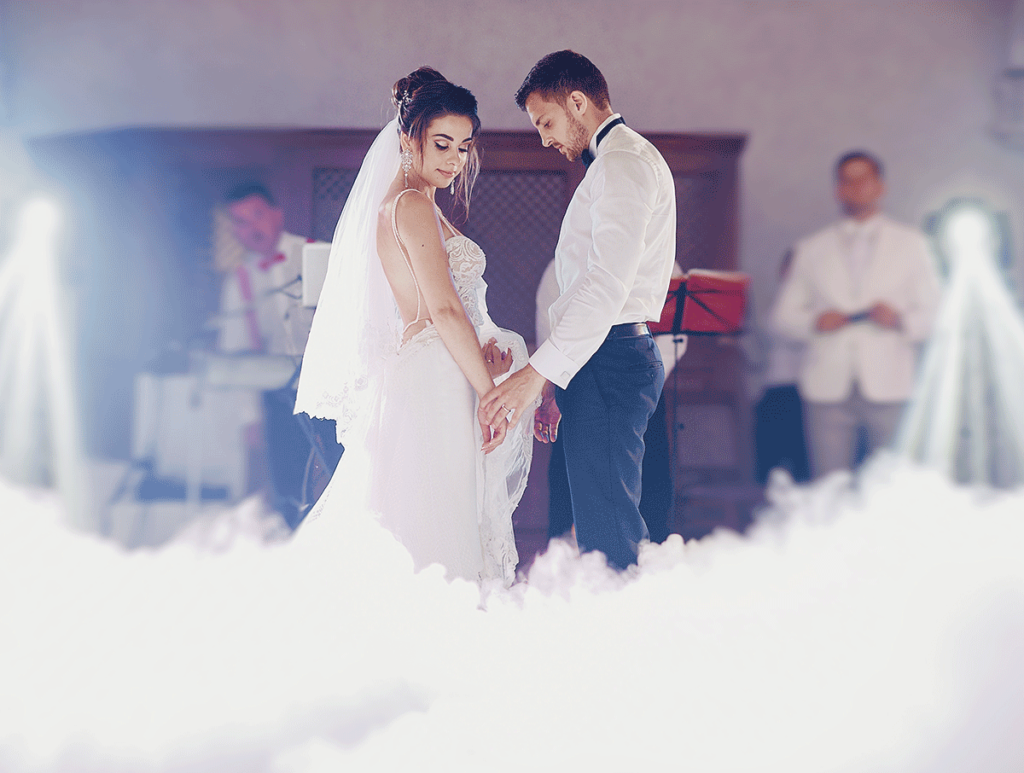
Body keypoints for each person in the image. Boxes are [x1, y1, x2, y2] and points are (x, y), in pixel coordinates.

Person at [294, 67, 533, 586]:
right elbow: (443, 311)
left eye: (464, 147)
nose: (455, 160)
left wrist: (483, 356)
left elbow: (448, 312)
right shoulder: (410, 205)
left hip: (438, 372)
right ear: (407, 138)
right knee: (436, 529)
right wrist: (490, 394)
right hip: (435, 383)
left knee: (435, 520)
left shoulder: (415, 203)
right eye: (441, 144)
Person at [480, 51, 677, 570]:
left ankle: (624, 620)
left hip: (612, 358)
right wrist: (557, 381)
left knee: (608, 538)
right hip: (598, 360)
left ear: (577, 102)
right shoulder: (617, 162)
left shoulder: (623, 163)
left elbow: (606, 286)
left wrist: (535, 376)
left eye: (546, 123)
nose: (545, 139)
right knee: (599, 527)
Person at [770, 151, 941, 478]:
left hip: (891, 381)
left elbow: (938, 314)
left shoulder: (913, 244)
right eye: (847, 180)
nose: (856, 187)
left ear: (881, 186)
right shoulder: (811, 249)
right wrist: (814, 322)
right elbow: (781, 319)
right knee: (828, 485)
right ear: (837, 189)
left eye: (864, 179)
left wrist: (900, 320)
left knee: (892, 483)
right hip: (827, 382)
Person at [216, 183, 341, 528]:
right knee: (287, 487)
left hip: (330, 394)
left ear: (276, 215)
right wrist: (249, 417)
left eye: (257, 215)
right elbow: (237, 357)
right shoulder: (239, 282)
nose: (252, 228)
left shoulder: (321, 256)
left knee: (336, 480)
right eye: (240, 222)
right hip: (278, 401)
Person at [753, 249, 811, 484]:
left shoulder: (816, 302)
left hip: (807, 388)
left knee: (804, 464)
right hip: (777, 384)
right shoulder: (773, 302)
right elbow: (771, 333)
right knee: (770, 462)